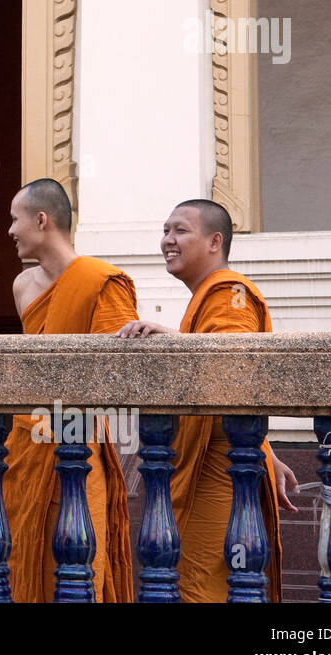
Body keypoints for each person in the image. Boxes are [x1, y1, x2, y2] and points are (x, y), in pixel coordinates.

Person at [117, 198, 297, 602]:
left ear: (215, 241)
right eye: (165, 230)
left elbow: (234, 365)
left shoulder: (230, 291)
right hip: (211, 465)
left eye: (180, 230)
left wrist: (173, 342)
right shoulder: (207, 296)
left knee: (200, 585)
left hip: (218, 474)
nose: (168, 240)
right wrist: (268, 452)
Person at [3, 178, 134, 602]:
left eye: (14, 219)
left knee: (78, 555)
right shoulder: (23, 286)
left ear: (41, 220)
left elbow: (116, 376)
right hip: (27, 440)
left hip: (78, 438)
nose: (9, 231)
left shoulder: (102, 281)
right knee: (25, 554)